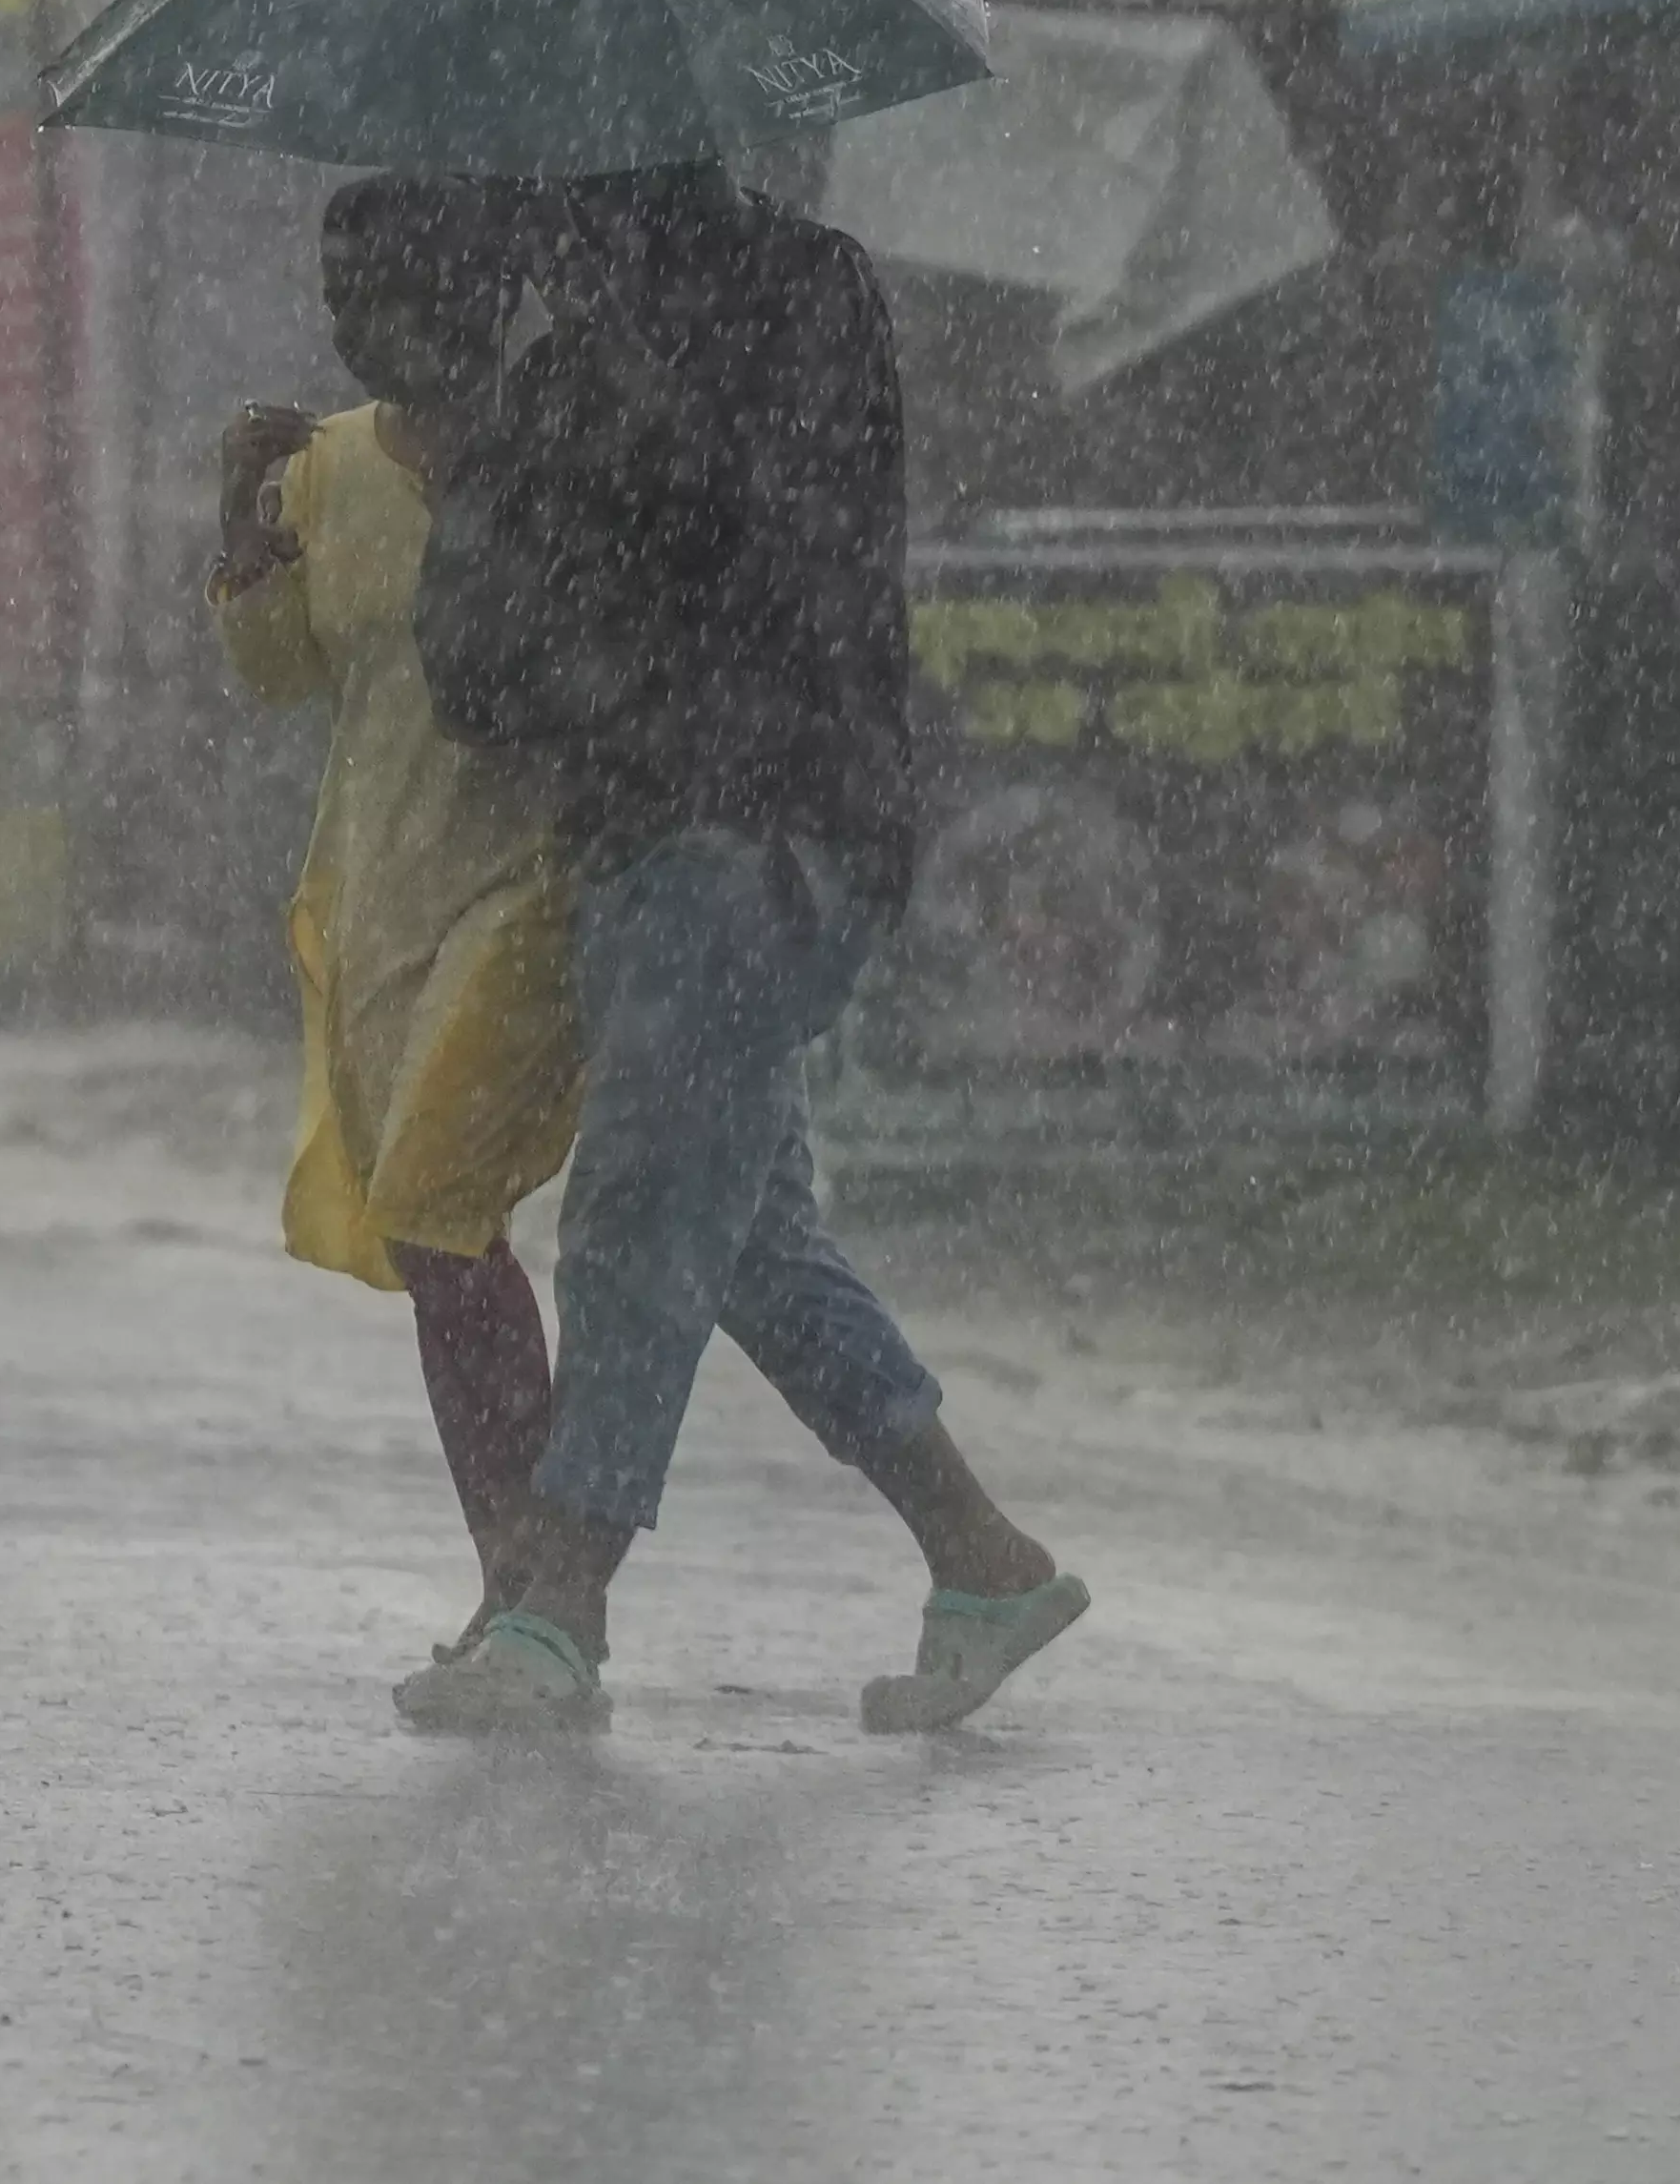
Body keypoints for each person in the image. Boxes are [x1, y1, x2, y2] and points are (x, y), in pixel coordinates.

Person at [391, 160, 1085, 1736]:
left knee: (637, 1209)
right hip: (684, 831)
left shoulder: (750, 310)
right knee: (749, 1238)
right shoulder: (614, 340)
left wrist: (545, 463)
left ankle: (558, 1599)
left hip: (743, 828)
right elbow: (496, 645)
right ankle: (984, 1558)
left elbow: (719, 551)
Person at [209, 175, 579, 1658]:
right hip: (375, 894)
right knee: (441, 1242)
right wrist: (240, 515)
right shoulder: (329, 469)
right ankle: (523, 1572)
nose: (369, 328)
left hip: (533, 882)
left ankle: (541, 1582)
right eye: (348, 298)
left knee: (434, 1199)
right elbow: (277, 671)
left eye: (399, 296)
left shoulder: (562, 451)